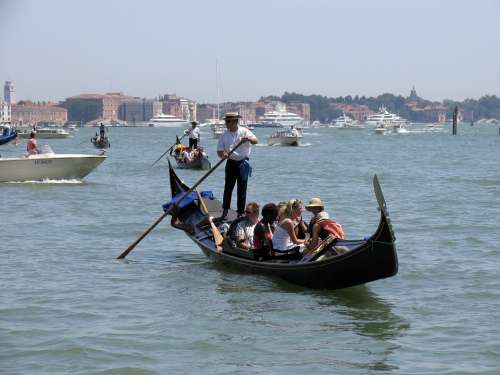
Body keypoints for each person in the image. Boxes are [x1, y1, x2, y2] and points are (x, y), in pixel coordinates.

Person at [217, 112, 258, 219]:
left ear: (235, 121)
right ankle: (225, 210)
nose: (226, 123)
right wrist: (223, 155)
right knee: (228, 188)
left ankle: (240, 212)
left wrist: (248, 139)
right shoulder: (224, 135)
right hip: (230, 163)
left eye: (228, 121)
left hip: (243, 163)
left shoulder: (244, 131)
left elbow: (256, 141)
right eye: (226, 121)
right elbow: (219, 151)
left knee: (242, 189)